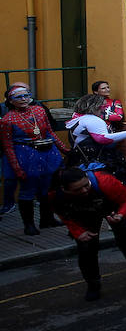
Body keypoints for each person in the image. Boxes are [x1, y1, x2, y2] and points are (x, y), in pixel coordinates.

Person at [49, 166, 126, 300]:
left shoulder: (105, 182)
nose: (84, 190)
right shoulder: (55, 195)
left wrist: (120, 215)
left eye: (86, 185)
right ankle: (93, 285)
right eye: (78, 189)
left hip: (113, 206)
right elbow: (64, 215)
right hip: (84, 212)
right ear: (64, 189)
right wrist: (77, 232)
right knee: (86, 249)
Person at [2, 83, 67, 235]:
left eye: (26, 95)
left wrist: (64, 149)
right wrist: (17, 167)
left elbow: (50, 131)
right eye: (19, 97)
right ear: (11, 101)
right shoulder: (7, 120)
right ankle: (29, 224)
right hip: (25, 155)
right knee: (28, 189)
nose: (24, 99)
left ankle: (47, 219)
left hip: (46, 152)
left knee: (47, 188)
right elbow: (8, 146)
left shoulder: (39, 110)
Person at [65, 93, 126, 181]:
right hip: (94, 163)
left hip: (81, 160)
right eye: (103, 106)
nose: (105, 109)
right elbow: (103, 138)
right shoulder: (92, 120)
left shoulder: (78, 118)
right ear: (94, 106)